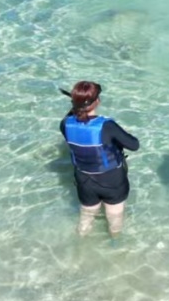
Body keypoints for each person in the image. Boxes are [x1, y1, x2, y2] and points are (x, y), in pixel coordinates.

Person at [60, 81, 140, 238]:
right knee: (114, 217)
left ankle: (80, 244)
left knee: (86, 216)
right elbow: (134, 145)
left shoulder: (65, 124)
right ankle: (115, 244)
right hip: (111, 180)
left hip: (84, 180)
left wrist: (76, 107)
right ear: (97, 101)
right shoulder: (107, 125)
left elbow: (76, 123)